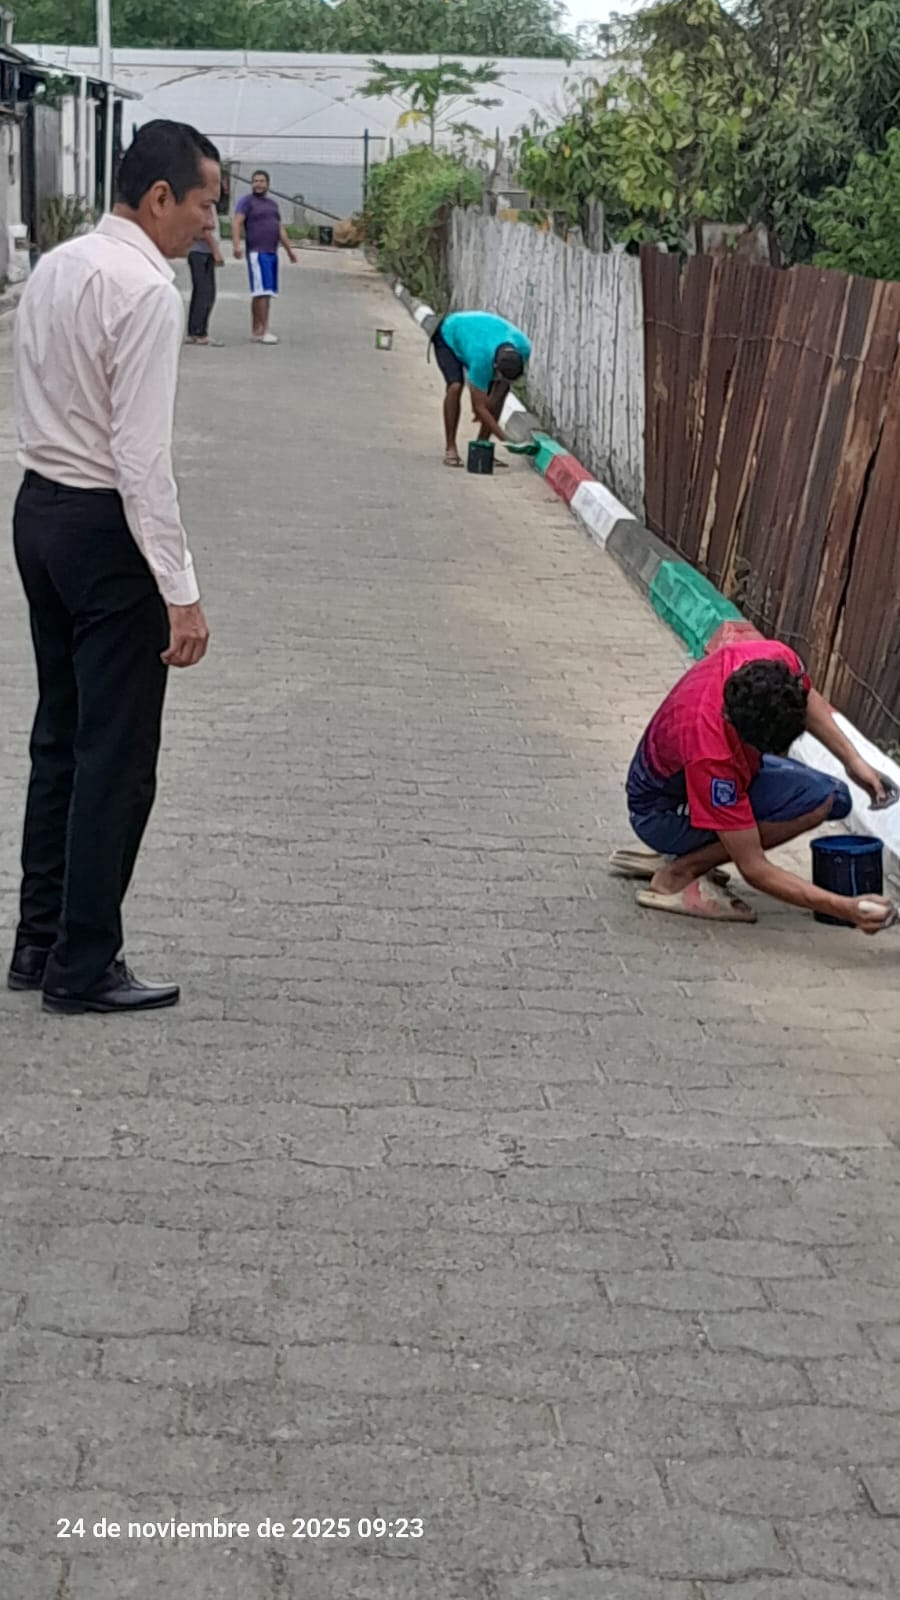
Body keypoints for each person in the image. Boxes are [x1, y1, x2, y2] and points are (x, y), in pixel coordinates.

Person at [9, 119, 219, 1014]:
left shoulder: (56, 267)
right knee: (118, 755)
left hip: (38, 510)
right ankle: (86, 961)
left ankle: (38, 941)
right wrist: (182, 592)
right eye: (203, 205)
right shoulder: (147, 293)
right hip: (104, 531)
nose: (208, 224)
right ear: (159, 197)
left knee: (61, 735)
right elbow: (141, 460)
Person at [611, 637, 894, 931]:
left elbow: (805, 697)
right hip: (661, 814)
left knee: (834, 796)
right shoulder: (713, 756)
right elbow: (754, 868)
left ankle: (688, 853)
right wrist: (845, 908)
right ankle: (678, 874)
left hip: (691, 773)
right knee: (812, 804)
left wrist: (853, 761)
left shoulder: (774, 660)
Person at [430, 310, 531, 467]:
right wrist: (506, 440)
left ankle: (482, 445)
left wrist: (489, 410)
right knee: (455, 386)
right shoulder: (481, 359)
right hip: (450, 334)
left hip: (481, 333)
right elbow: (478, 407)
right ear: (494, 366)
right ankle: (451, 447)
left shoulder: (523, 347)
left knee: (501, 392)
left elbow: (497, 394)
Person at [231, 170, 297, 344]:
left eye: (261, 181)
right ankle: (263, 330)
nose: (258, 184)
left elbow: (279, 228)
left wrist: (289, 250)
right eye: (255, 181)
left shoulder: (272, 205)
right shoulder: (247, 202)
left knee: (265, 293)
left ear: (267, 184)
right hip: (257, 252)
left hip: (272, 252)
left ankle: (257, 329)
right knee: (262, 291)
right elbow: (237, 222)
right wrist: (236, 245)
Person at [186, 215, 225, 344]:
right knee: (205, 293)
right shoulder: (204, 206)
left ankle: (194, 331)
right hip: (202, 253)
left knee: (200, 292)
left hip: (202, 252)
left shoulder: (206, 206)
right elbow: (205, 231)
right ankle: (199, 332)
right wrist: (216, 252)